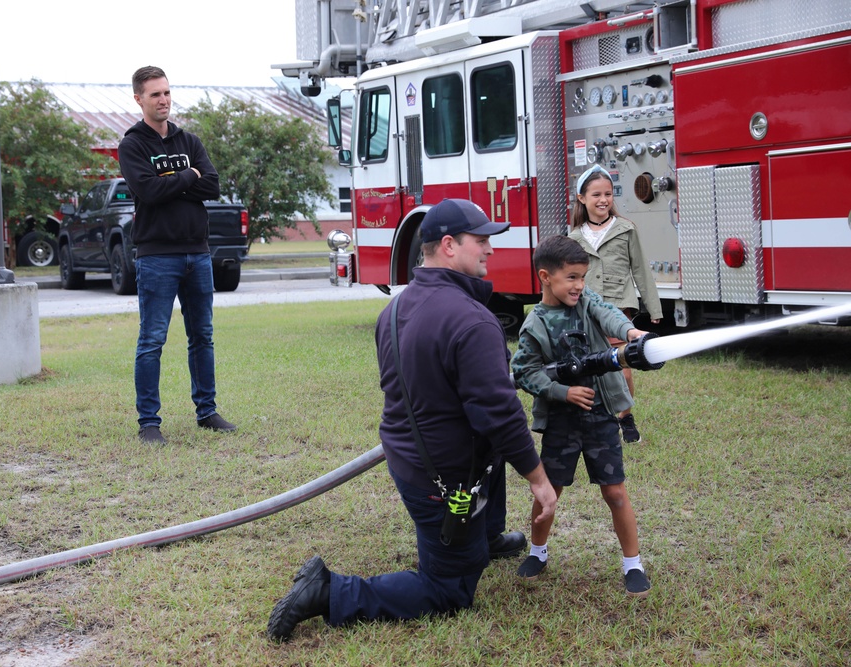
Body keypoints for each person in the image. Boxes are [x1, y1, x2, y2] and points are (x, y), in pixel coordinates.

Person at [267, 199, 558, 641]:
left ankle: (485, 537)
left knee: (488, 456)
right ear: (448, 246)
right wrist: (538, 479)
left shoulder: (394, 311)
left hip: (411, 459)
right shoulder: (472, 320)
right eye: (480, 241)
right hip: (444, 479)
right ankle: (329, 591)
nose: (490, 250)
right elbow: (499, 413)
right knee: (449, 590)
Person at [511, 234, 651, 597]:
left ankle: (632, 563)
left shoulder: (586, 302)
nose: (579, 285)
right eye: (571, 277)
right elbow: (525, 371)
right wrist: (562, 392)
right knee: (549, 491)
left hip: (601, 415)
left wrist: (631, 332)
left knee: (616, 492)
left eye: (582, 277)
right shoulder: (535, 324)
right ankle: (538, 553)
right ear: (545, 277)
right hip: (561, 421)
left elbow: (607, 313)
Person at [117, 66, 236, 443]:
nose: (163, 100)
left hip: (197, 254)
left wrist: (174, 183)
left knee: (203, 336)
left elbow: (213, 185)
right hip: (157, 256)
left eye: (167, 92)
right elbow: (148, 192)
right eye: (155, 94)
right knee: (152, 339)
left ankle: (207, 411)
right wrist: (189, 178)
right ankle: (148, 423)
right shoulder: (132, 145)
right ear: (139, 98)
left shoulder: (190, 140)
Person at [568, 165, 662, 444]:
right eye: (596, 194)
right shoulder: (574, 236)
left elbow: (641, 270)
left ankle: (625, 416)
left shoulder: (626, 229)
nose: (603, 200)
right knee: (590, 366)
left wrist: (654, 309)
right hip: (584, 310)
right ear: (582, 198)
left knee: (623, 366)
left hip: (619, 307)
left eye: (608, 194)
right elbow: (565, 276)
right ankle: (598, 417)